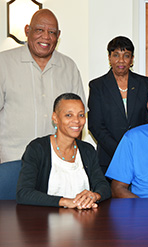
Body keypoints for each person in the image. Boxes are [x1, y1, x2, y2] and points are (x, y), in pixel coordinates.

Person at [0, 9, 86, 163]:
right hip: (12, 161)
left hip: (56, 163)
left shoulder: (69, 67)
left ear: (58, 36)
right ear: (27, 30)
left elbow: (78, 120)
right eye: (39, 30)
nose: (46, 37)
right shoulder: (4, 63)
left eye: (52, 32)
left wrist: (71, 161)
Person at [16, 93, 111, 208]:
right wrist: (66, 202)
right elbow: (24, 193)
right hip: (45, 220)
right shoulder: (38, 148)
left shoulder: (87, 150)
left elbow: (103, 186)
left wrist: (94, 196)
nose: (76, 120)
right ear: (55, 118)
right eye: (68, 115)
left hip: (83, 219)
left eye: (81, 115)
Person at [88, 36, 148, 173]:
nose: (121, 60)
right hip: (108, 158)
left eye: (126, 55)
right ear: (109, 58)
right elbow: (95, 125)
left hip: (140, 155)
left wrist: (137, 149)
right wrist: (120, 150)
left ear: (132, 59)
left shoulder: (145, 84)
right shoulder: (97, 86)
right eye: (116, 55)